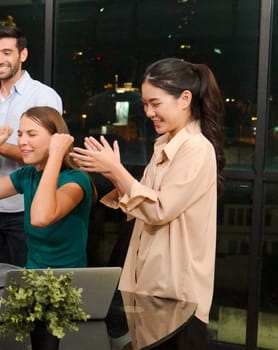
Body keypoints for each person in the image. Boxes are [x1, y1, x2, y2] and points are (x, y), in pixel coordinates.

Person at [70, 57, 225, 349]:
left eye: (155, 103)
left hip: (177, 297)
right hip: (150, 288)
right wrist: (111, 173)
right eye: (144, 103)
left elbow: (159, 210)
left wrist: (116, 170)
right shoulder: (165, 144)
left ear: (185, 99)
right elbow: (141, 204)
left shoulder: (196, 148)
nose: (148, 112)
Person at [0, 106, 94, 350]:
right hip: (31, 291)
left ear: (55, 140)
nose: (22, 142)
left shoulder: (76, 181)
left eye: (31, 134)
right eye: (20, 134)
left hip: (65, 296)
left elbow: (41, 217)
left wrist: (55, 157)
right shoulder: (28, 175)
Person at [0, 25, 62, 267]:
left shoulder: (44, 97)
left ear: (22, 55)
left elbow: (47, 156)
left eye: (7, 52)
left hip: (24, 209)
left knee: (26, 283)